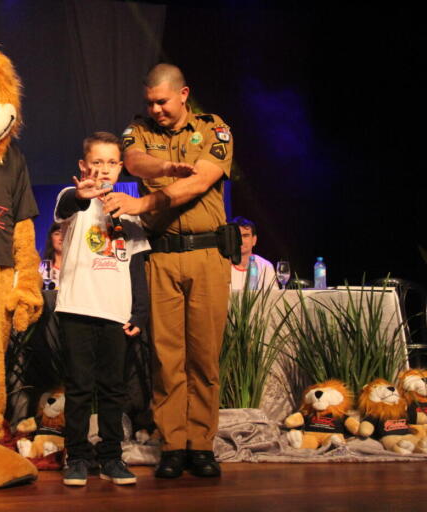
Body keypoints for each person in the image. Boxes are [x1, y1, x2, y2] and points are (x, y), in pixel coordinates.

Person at [106, 64, 234, 478]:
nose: (156, 109)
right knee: (167, 357)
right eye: (150, 102)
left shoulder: (214, 129)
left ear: (183, 94)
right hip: (161, 256)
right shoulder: (140, 130)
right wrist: (162, 170)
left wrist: (142, 205)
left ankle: (202, 444)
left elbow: (199, 183)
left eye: (162, 101)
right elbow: (135, 161)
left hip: (206, 255)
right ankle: (173, 444)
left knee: (203, 355)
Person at [54, 132, 150, 487]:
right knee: (79, 388)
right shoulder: (75, 199)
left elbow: (138, 267)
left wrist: (139, 314)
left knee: (113, 389)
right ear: (83, 166)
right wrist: (81, 195)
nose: (104, 170)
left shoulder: (130, 208)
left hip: (116, 313)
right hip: (77, 307)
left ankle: (111, 456)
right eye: (97, 162)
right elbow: (67, 206)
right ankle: (77, 456)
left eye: (111, 163)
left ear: (121, 167)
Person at [229, 216, 276, 290]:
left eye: (245, 236)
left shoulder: (266, 267)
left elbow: (274, 298)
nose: (240, 241)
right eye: (236, 236)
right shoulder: (223, 268)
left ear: (254, 240)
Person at [40, 222, 63, 288]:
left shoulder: (76, 267)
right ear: (51, 238)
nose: (61, 238)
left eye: (65, 234)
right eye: (57, 234)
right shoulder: (43, 268)